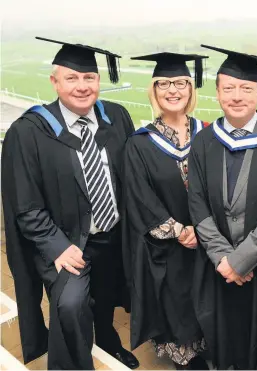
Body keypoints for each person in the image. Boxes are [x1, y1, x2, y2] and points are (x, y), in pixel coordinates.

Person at [1, 37, 139, 370]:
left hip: (112, 234)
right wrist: (58, 247)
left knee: (106, 297)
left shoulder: (116, 117)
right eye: (71, 78)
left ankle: (106, 338)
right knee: (70, 304)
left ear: (98, 81)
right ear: (54, 82)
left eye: (88, 78)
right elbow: (25, 204)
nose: (81, 86)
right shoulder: (29, 132)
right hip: (66, 240)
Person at [188, 44, 257, 369]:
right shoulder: (204, 141)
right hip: (218, 270)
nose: (236, 96)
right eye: (228, 88)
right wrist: (223, 257)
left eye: (246, 88)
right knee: (223, 343)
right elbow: (196, 203)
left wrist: (241, 260)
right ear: (217, 92)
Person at [122, 52, 209, 370]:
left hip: (209, 240)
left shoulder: (209, 133)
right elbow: (140, 198)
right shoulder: (140, 144)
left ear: (191, 88)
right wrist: (179, 231)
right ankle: (185, 356)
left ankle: (210, 343)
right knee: (177, 299)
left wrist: (206, 230)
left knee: (208, 296)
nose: (173, 90)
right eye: (164, 84)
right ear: (154, 91)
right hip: (169, 247)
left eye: (180, 83)